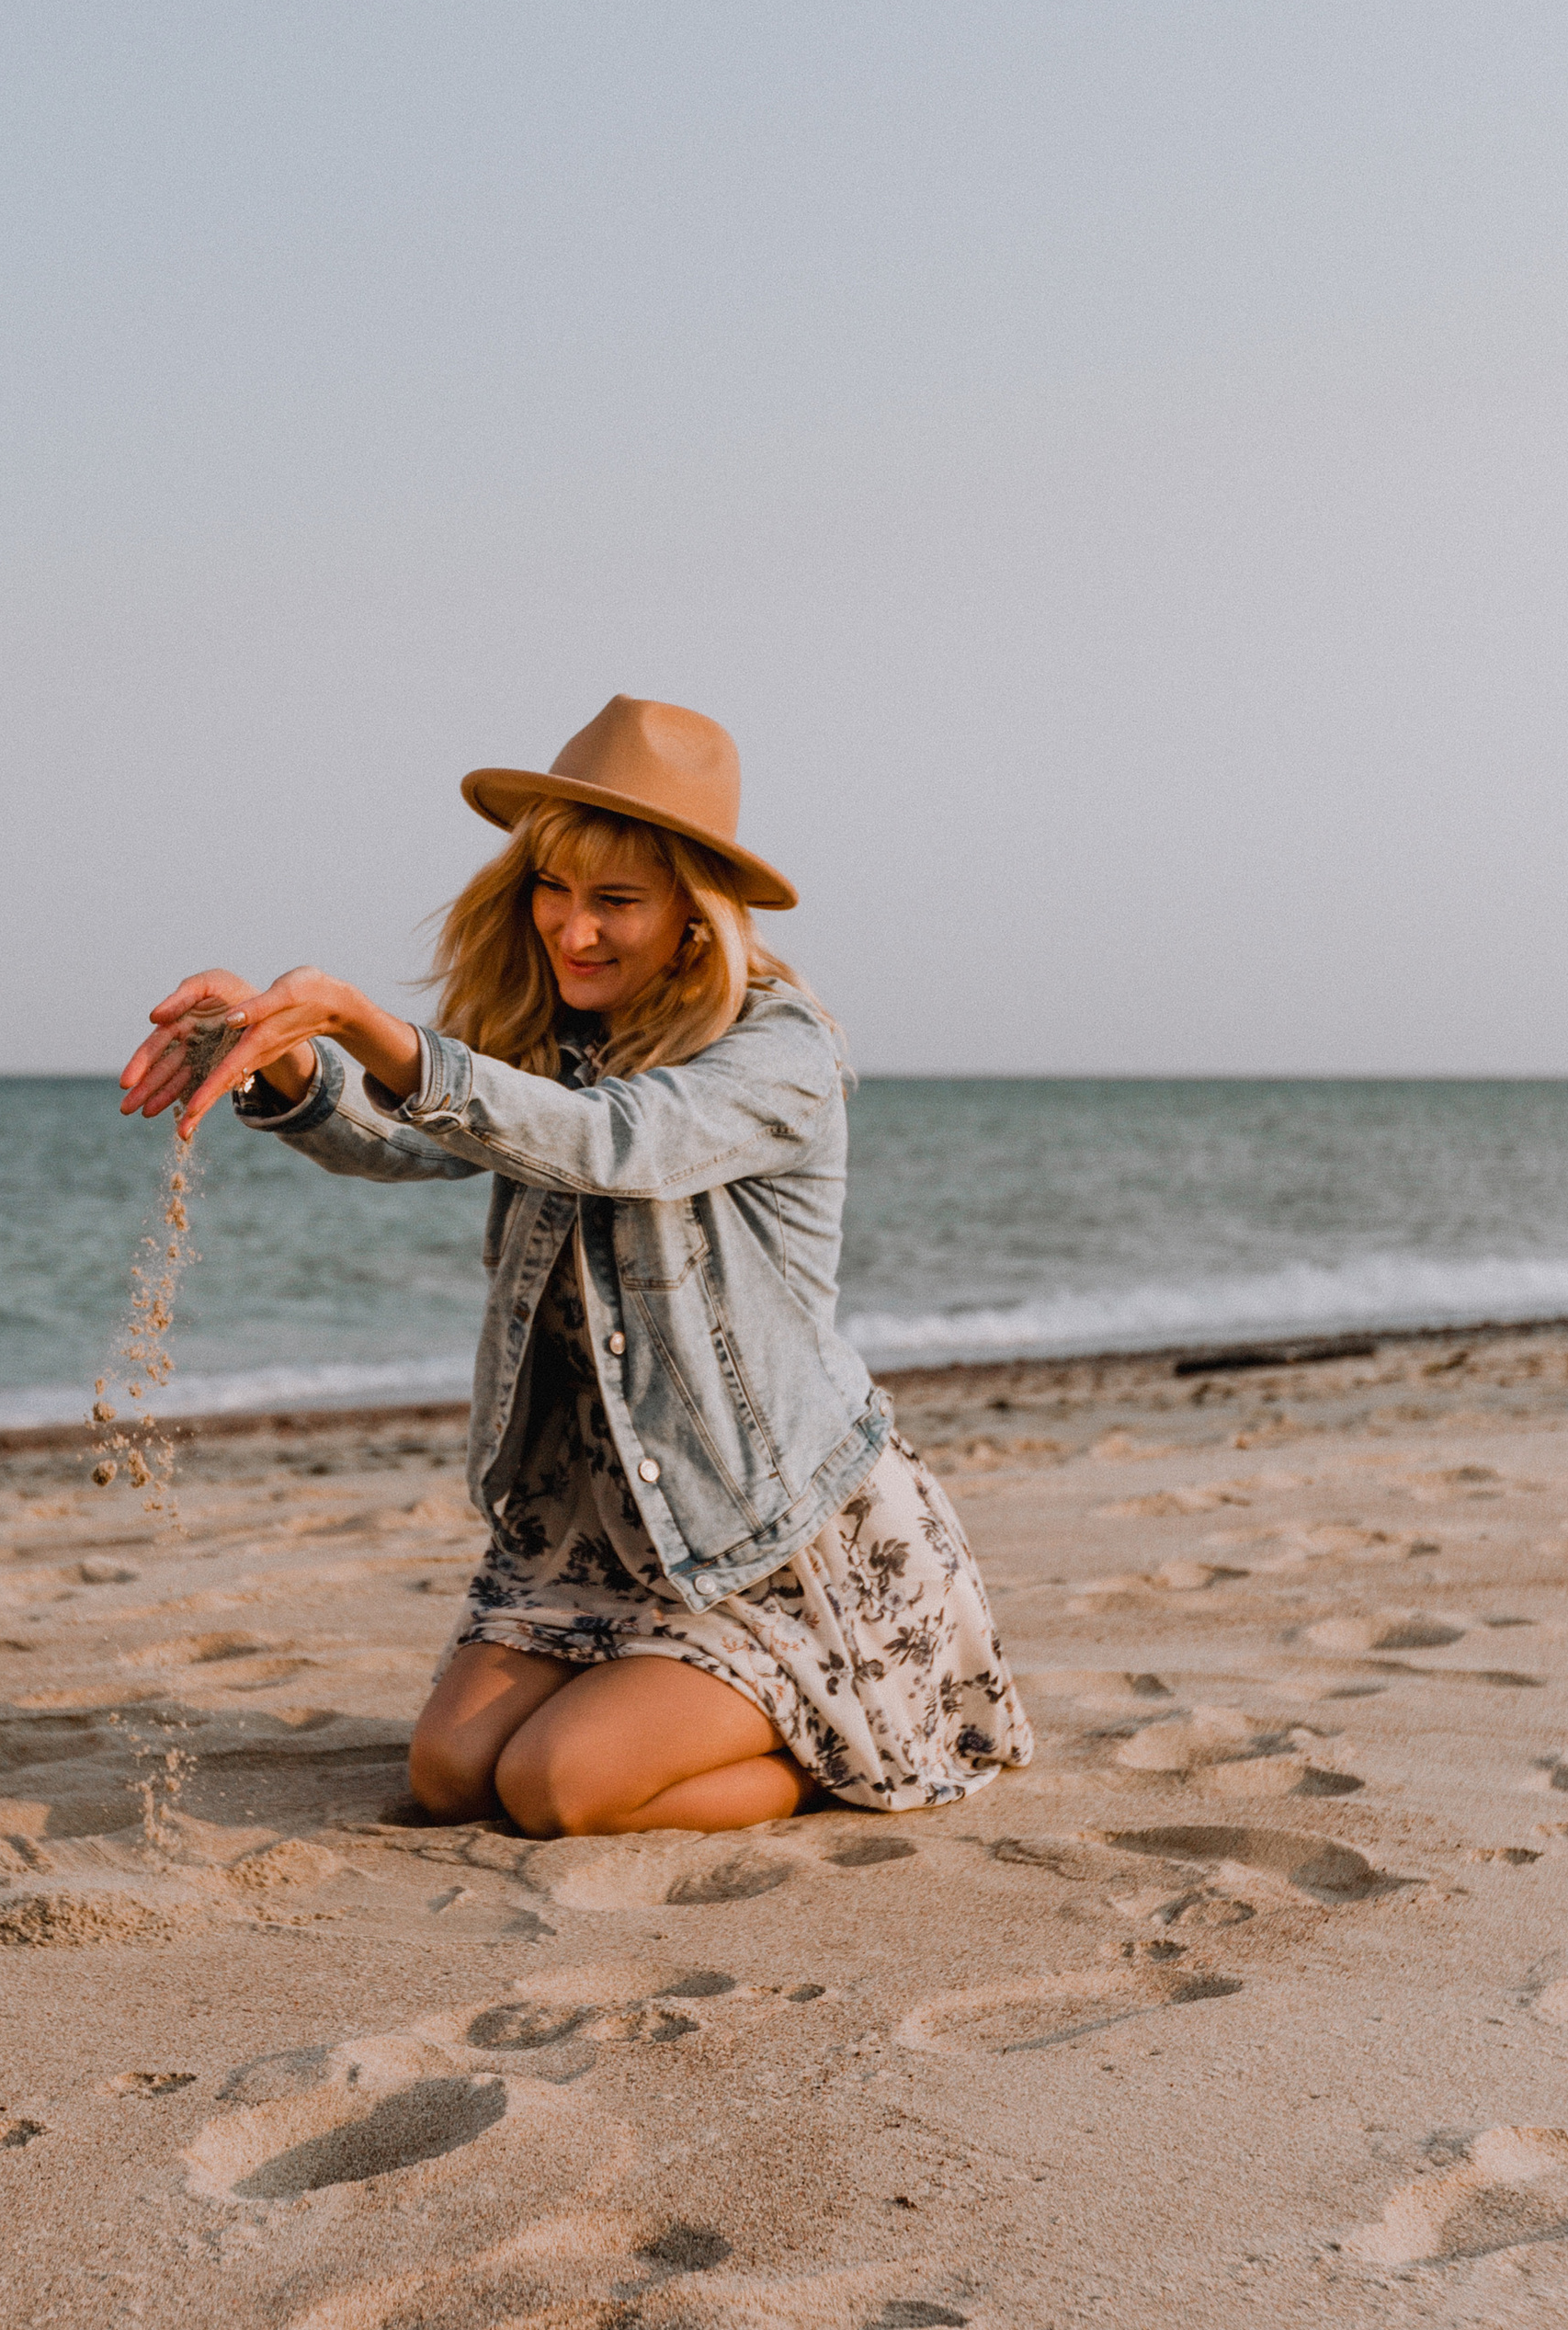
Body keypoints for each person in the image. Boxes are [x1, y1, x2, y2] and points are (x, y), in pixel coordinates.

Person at [118, 696, 1032, 1838]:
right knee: (453, 1776)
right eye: (555, 889)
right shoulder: (550, 1039)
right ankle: (680, 1713)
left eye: (616, 901)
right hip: (586, 1520)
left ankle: (835, 1744)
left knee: (555, 1789)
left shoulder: (779, 1051)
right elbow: (414, 1136)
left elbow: (613, 1143)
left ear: (695, 916)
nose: (573, 930)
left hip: (753, 1533)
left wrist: (367, 1021)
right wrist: (287, 1064)